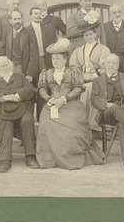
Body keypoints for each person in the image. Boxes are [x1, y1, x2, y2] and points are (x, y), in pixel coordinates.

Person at [35, 38, 105, 170]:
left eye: (58, 58)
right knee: (47, 124)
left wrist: (64, 99)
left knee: (71, 125)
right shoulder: (47, 73)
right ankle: (51, 159)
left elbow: (78, 88)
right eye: (54, 58)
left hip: (71, 104)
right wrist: (49, 99)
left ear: (65, 59)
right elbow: (42, 88)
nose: (55, 61)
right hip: (52, 104)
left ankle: (70, 156)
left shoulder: (73, 71)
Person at [0, 56, 37, 173]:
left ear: (11, 66)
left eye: (6, 65)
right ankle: (5, 159)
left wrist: (17, 96)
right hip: (2, 110)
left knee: (27, 120)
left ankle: (30, 156)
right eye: (2, 66)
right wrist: (4, 97)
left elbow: (30, 89)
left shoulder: (20, 77)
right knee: (5, 123)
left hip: (21, 108)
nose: (5, 68)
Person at [68, 21, 111, 131]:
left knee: (90, 89)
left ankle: (93, 125)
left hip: (97, 81)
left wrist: (94, 74)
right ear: (83, 36)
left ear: (95, 34)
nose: (88, 37)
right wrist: (80, 75)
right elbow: (73, 66)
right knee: (80, 90)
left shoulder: (103, 49)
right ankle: (80, 125)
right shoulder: (78, 50)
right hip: (82, 80)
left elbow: (106, 68)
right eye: (86, 35)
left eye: (90, 34)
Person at [0, 9, 39, 82]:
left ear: (22, 19)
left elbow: (34, 54)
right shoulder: (8, 33)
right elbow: (5, 51)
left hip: (24, 69)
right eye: (15, 19)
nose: (17, 21)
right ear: (10, 21)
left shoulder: (29, 33)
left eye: (19, 18)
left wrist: (30, 73)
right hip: (10, 69)